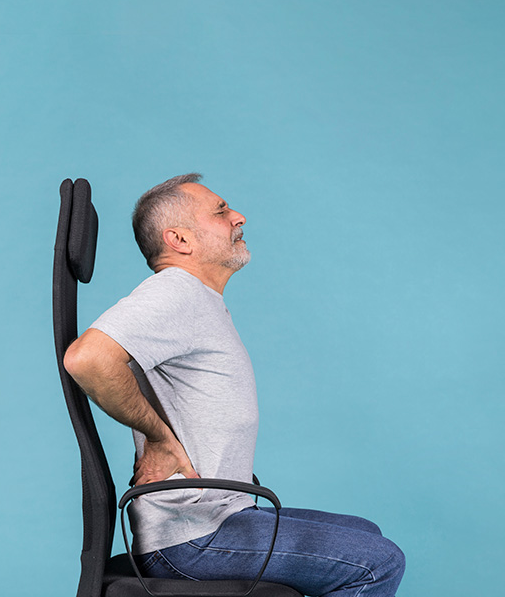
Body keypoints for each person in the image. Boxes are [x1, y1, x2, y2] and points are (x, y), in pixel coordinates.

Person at [63, 173, 406, 596]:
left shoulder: (196, 298)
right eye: (220, 211)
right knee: (377, 562)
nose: (238, 217)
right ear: (179, 239)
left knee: (366, 534)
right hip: (194, 537)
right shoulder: (176, 293)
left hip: (219, 517)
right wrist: (159, 437)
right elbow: (88, 358)